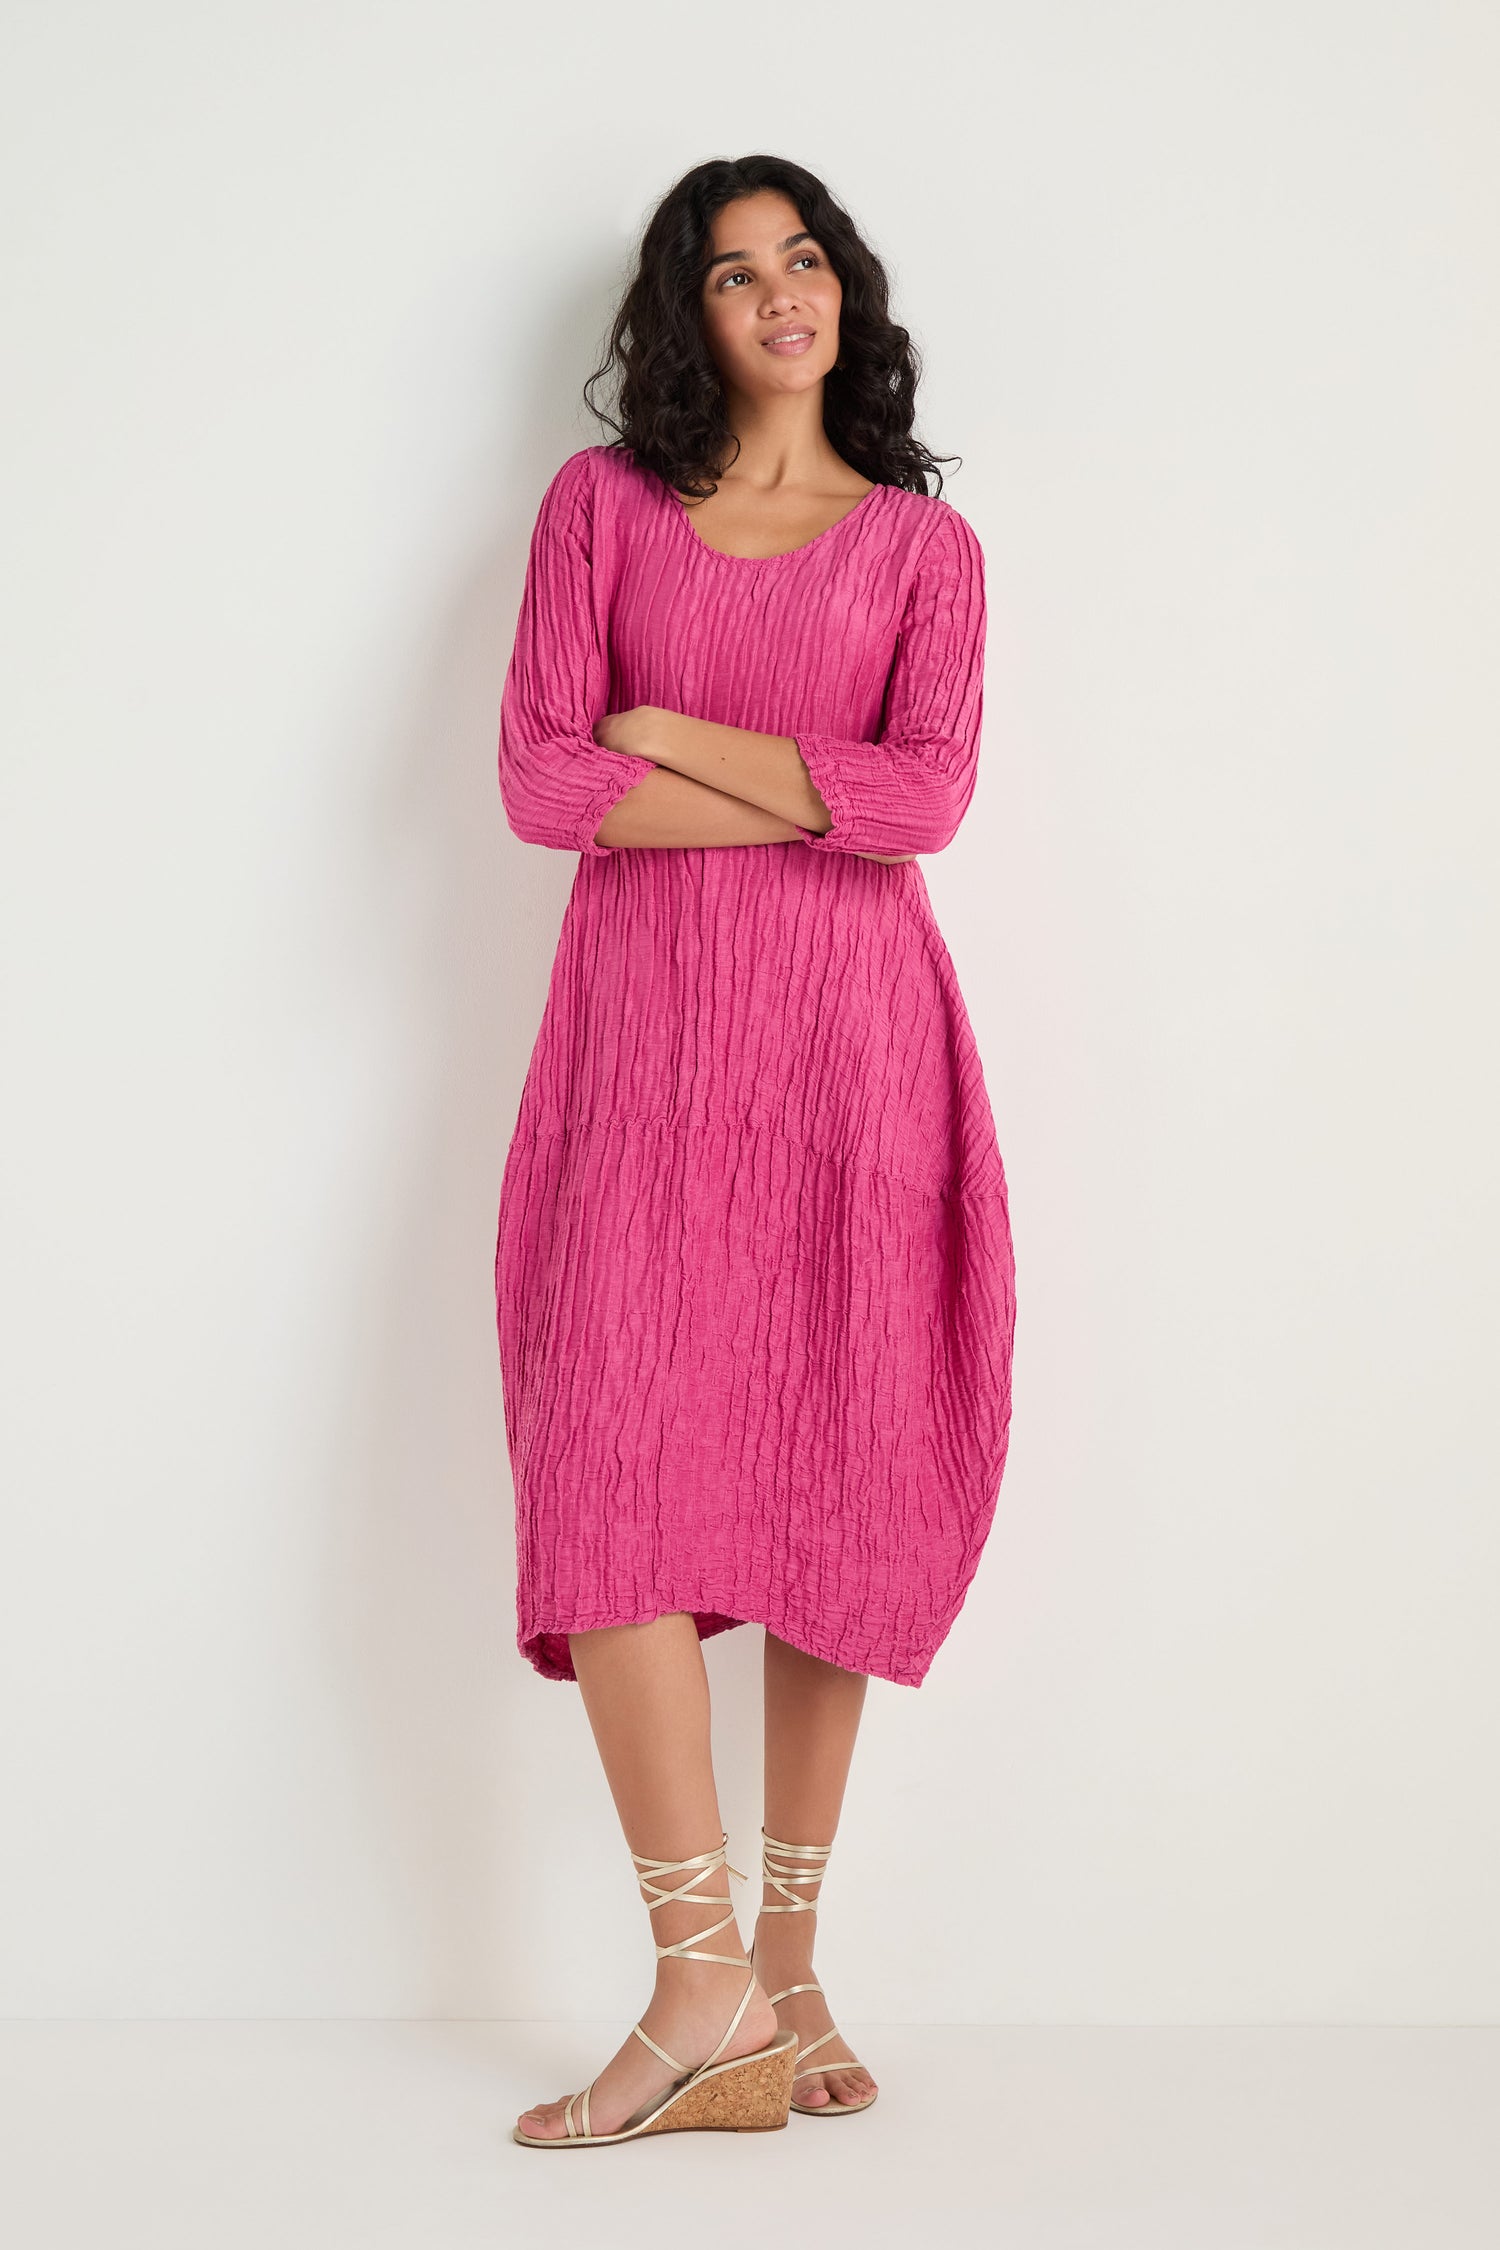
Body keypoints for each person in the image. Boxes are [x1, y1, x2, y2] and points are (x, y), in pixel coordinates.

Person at [496, 154, 1017, 2148]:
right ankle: (698, 1973)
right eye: (735, 274)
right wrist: (802, 789)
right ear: (685, 316)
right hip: (642, 1055)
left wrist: (671, 730)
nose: (781, 293)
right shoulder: (600, 509)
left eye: (805, 260)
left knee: (827, 1468)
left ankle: (787, 1968)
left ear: (845, 292)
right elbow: (544, 780)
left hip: (851, 1059)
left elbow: (928, 802)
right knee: (611, 1461)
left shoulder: (923, 548)